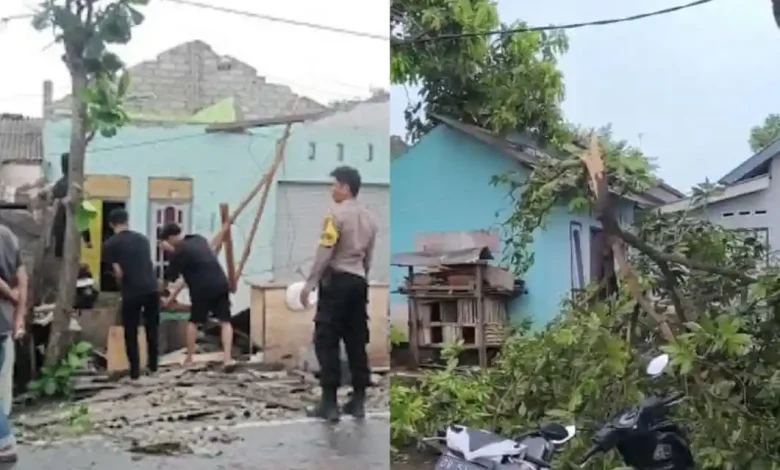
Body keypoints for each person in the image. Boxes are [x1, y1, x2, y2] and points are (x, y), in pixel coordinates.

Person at [299, 165, 378, 422]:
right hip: (358, 281)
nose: (332, 190)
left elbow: (326, 249)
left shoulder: (334, 215)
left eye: (335, 185)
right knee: (356, 341)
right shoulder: (369, 218)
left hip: (336, 281)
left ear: (345, 187)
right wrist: (361, 277)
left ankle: (329, 403)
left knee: (327, 339)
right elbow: (369, 257)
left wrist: (310, 282)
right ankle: (358, 400)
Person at [158, 223, 235, 370]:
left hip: (201, 288)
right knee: (225, 321)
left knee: (194, 321)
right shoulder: (198, 239)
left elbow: (170, 277)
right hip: (220, 282)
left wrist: (163, 293)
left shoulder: (178, 253)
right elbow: (193, 261)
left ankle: (189, 359)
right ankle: (227, 358)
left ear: (170, 238)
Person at [102, 208, 160, 381]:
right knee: (152, 328)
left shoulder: (110, 244)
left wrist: (121, 286)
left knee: (131, 332)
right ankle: (153, 366)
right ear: (127, 221)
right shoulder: (143, 239)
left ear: (111, 224)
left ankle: (135, 372)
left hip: (132, 292)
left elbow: (118, 272)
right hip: (151, 288)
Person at [0, 223, 28, 462]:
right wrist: (19, 316)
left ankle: (4, 440)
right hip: (4, 321)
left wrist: (8, 292)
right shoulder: (7, 234)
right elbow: (23, 277)